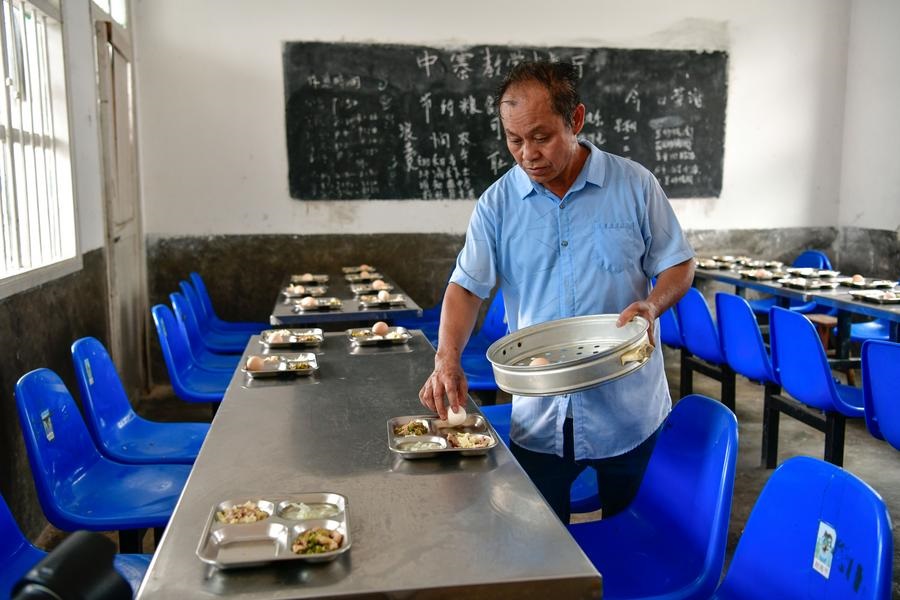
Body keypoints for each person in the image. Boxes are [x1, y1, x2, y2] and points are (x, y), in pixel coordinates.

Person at [419, 60, 695, 523]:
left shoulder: (634, 185)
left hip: (629, 409)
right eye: (514, 140)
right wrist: (446, 357)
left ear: (576, 120)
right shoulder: (497, 204)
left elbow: (679, 265)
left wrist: (652, 304)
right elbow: (466, 288)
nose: (528, 154)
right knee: (537, 543)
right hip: (541, 411)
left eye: (542, 137)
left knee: (638, 536)